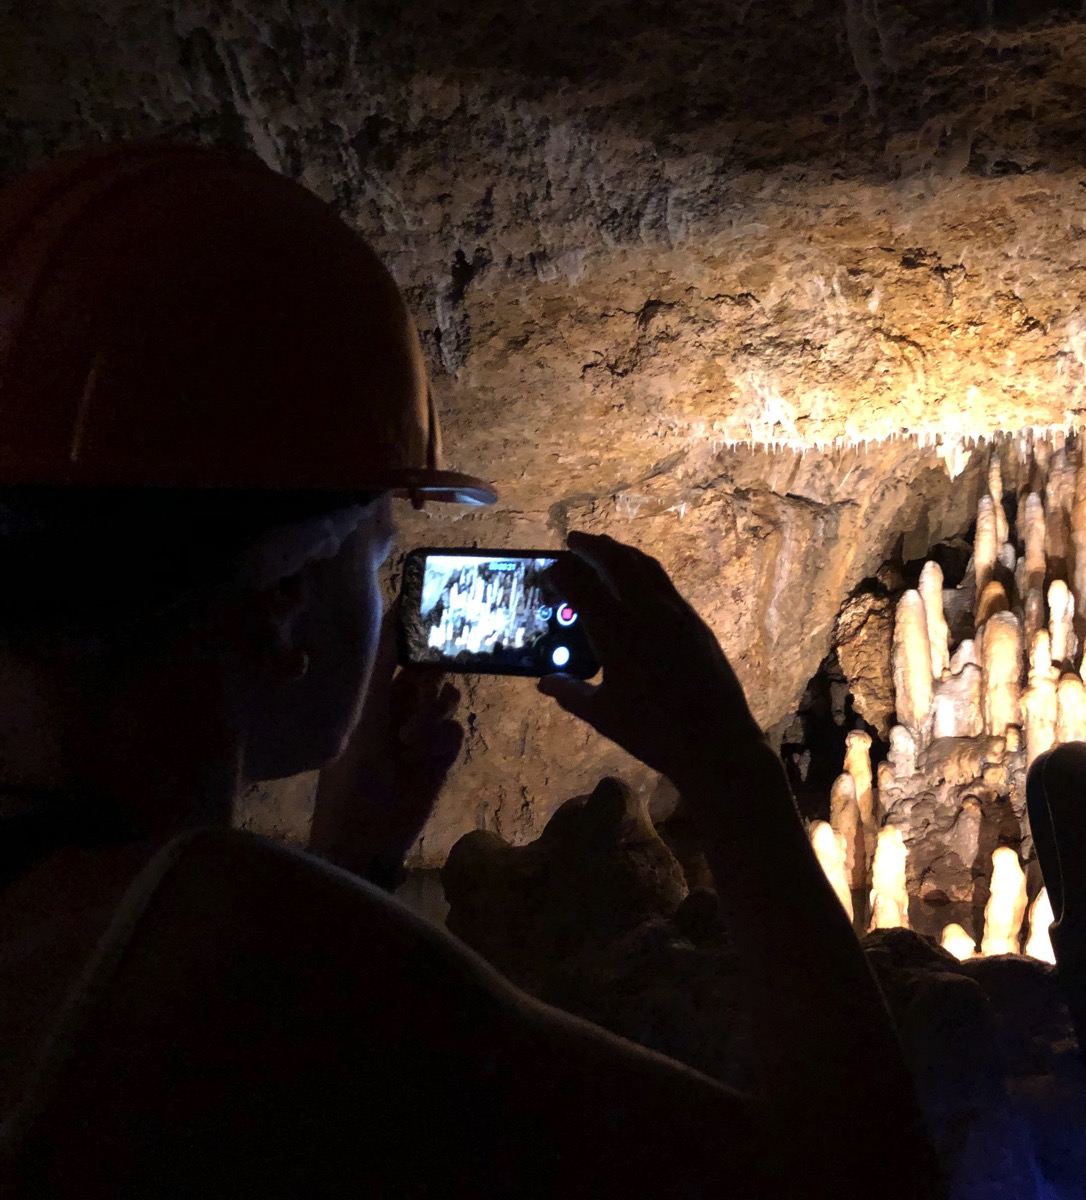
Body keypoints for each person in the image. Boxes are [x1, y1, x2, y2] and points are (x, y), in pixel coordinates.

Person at [0, 142, 941, 1198]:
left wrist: (349, 859)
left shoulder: (76, 914)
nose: (396, 581)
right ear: (281, 616)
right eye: (382, 547)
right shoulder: (239, 945)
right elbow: (868, 1182)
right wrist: (728, 768)